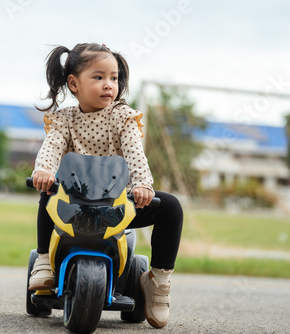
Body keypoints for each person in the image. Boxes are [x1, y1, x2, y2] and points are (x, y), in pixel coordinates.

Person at [28, 43, 183, 329]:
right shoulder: (65, 120)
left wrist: (142, 184)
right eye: (98, 77)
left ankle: (158, 282)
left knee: (170, 206)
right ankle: (45, 259)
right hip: (73, 205)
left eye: (114, 78)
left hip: (116, 204)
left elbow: (135, 151)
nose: (108, 85)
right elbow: (52, 147)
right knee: (47, 191)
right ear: (74, 83)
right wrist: (44, 170)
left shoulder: (122, 117)